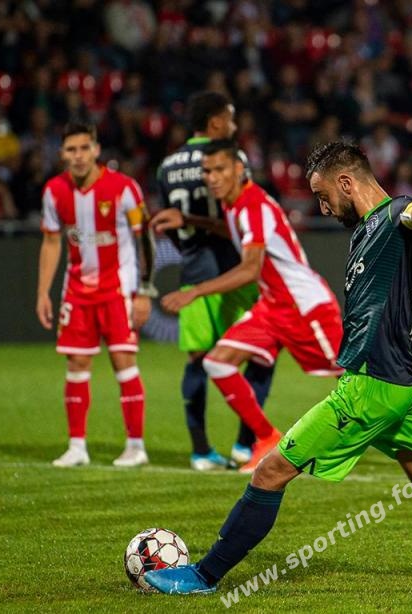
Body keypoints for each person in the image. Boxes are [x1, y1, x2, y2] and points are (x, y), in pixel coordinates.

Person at [142, 141, 412, 595]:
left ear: (345, 183)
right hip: (401, 381)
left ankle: (203, 576)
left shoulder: (394, 215)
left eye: (323, 196)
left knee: (270, 472)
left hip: (369, 387)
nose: (323, 207)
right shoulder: (365, 231)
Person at [151, 140, 343, 474]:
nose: (212, 177)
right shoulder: (233, 204)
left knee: (360, 379)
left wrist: (196, 292)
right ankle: (267, 439)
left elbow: (250, 269)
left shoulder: (254, 205)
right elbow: (234, 231)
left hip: (304, 306)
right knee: (218, 362)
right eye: (207, 171)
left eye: (220, 169)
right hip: (272, 306)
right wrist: (188, 218)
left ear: (239, 169)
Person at [152, 91, 275, 472]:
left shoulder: (166, 167)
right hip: (235, 272)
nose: (234, 127)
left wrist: (190, 247)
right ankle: (245, 443)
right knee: (262, 355)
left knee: (198, 362)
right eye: (231, 119)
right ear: (217, 122)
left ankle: (201, 451)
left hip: (192, 273)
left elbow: (170, 223)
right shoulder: (232, 160)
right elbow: (241, 215)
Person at [36, 121, 156, 468]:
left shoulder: (124, 188)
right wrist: (43, 292)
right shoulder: (54, 191)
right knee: (76, 363)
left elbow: (146, 237)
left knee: (123, 361)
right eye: (71, 150)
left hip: (118, 288)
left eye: (84, 148)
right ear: (62, 154)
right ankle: (77, 446)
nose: (78, 156)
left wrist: (145, 290)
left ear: (96, 150)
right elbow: (51, 241)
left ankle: (135, 446)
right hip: (77, 290)